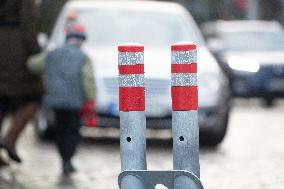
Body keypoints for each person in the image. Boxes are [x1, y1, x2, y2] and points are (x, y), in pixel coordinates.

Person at [28, 23, 96, 175]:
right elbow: (88, 80)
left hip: (56, 101)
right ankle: (68, 160)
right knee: (72, 131)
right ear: (81, 40)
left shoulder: (52, 53)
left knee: (60, 130)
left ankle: (63, 159)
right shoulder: (84, 58)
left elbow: (33, 65)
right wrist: (91, 99)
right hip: (75, 102)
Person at [0, 0, 42, 166]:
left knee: (2, 100)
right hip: (16, 50)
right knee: (36, 95)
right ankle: (10, 137)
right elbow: (28, 23)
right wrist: (36, 52)